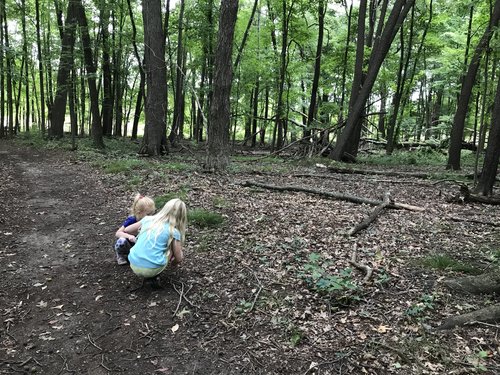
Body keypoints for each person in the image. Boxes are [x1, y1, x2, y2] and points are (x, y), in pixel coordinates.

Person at [125, 198, 187, 287]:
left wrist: (143, 233)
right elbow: (179, 258)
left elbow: (127, 230)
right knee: (170, 247)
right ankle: (153, 276)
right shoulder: (173, 231)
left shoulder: (147, 219)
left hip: (133, 263)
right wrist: (174, 264)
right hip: (151, 269)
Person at [114, 194, 156, 265]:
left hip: (139, 245)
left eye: (152, 214)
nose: (151, 216)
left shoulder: (149, 220)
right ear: (139, 212)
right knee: (121, 241)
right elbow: (118, 233)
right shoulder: (132, 220)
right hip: (129, 244)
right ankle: (121, 256)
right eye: (148, 214)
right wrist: (129, 236)